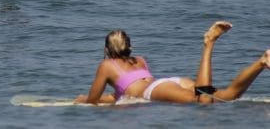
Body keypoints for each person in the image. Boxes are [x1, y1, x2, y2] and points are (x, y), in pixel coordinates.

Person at [74, 21, 270, 105]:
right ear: (128, 47)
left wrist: (83, 99)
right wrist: (109, 99)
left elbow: (93, 100)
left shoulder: (106, 65)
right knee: (226, 96)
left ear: (107, 50)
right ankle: (261, 62)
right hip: (170, 82)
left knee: (203, 102)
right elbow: (123, 94)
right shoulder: (139, 60)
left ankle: (209, 43)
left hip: (156, 89)